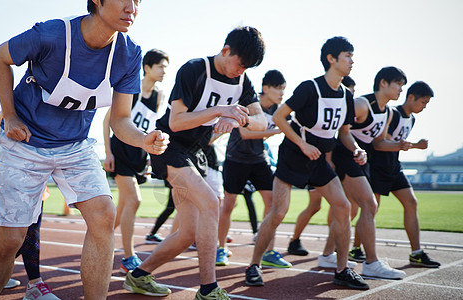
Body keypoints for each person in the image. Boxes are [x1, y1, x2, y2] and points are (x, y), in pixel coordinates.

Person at [0, 1, 169, 299]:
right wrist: (10, 114)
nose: (131, 7)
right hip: (25, 144)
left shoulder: (129, 54)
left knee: (104, 215)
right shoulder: (52, 34)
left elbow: (120, 120)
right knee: (11, 239)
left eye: (138, 0)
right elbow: (0, 56)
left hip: (75, 147)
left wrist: (143, 138)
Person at [123, 26, 267, 299]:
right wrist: (220, 110)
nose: (242, 70)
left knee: (188, 232)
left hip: (197, 151)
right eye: (241, 63)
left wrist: (239, 117)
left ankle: (139, 276)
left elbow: (261, 120)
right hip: (169, 146)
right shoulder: (194, 70)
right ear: (226, 51)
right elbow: (176, 121)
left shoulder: (243, 81)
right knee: (212, 202)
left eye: (248, 67)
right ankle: (208, 290)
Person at [245, 36, 370, 290]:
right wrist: (302, 144)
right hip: (294, 154)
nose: (352, 61)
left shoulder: (347, 96)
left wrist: (357, 149)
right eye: (347, 56)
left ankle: (342, 269)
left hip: (318, 160)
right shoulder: (309, 88)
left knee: (343, 206)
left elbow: (344, 131)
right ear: (331, 59)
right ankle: (254, 266)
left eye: (352, 56)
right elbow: (280, 117)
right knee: (278, 212)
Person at [328, 66, 409, 279]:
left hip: (363, 158)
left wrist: (401, 145)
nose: (401, 89)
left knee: (349, 208)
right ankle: (372, 262)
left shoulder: (389, 113)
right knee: (369, 204)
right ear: (383, 83)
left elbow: (379, 143)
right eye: (398, 84)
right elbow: (339, 130)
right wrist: (344, 155)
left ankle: (327, 254)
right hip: (345, 154)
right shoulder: (362, 105)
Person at [103, 49, 169, 273]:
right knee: (134, 200)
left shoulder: (159, 95)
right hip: (121, 149)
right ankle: (129, 257)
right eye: (160, 66)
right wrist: (108, 152)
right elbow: (108, 120)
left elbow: (151, 126)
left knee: (124, 206)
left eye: (166, 67)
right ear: (147, 67)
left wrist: (150, 158)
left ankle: (100, 239)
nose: (164, 71)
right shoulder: (131, 88)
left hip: (139, 153)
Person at [0, 112, 59, 300]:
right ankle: (34, 284)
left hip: (38, 165)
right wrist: (12, 147)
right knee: (24, 229)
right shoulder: (30, 91)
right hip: (15, 165)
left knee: (22, 231)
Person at [216, 70, 288, 268]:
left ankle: (269, 251)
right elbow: (247, 133)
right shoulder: (250, 104)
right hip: (235, 159)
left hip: (259, 160)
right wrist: (276, 130)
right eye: (278, 88)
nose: (282, 93)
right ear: (266, 89)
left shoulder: (279, 109)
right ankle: (220, 248)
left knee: (272, 202)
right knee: (229, 204)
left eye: (284, 89)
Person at [369, 81, 440, 268]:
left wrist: (414, 145)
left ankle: (416, 252)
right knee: (371, 209)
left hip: (394, 167)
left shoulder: (412, 119)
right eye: (423, 102)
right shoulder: (392, 114)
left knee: (411, 202)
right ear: (411, 97)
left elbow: (399, 144)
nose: (424, 107)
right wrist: (415, 145)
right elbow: (381, 141)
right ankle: (356, 248)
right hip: (377, 166)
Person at [288, 76, 356, 256]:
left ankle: (333, 246)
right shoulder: (322, 99)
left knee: (342, 205)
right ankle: (295, 240)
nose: (352, 95)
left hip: (337, 162)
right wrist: (328, 160)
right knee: (316, 205)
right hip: (317, 160)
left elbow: (342, 134)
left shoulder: (347, 106)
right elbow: (327, 137)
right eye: (350, 91)